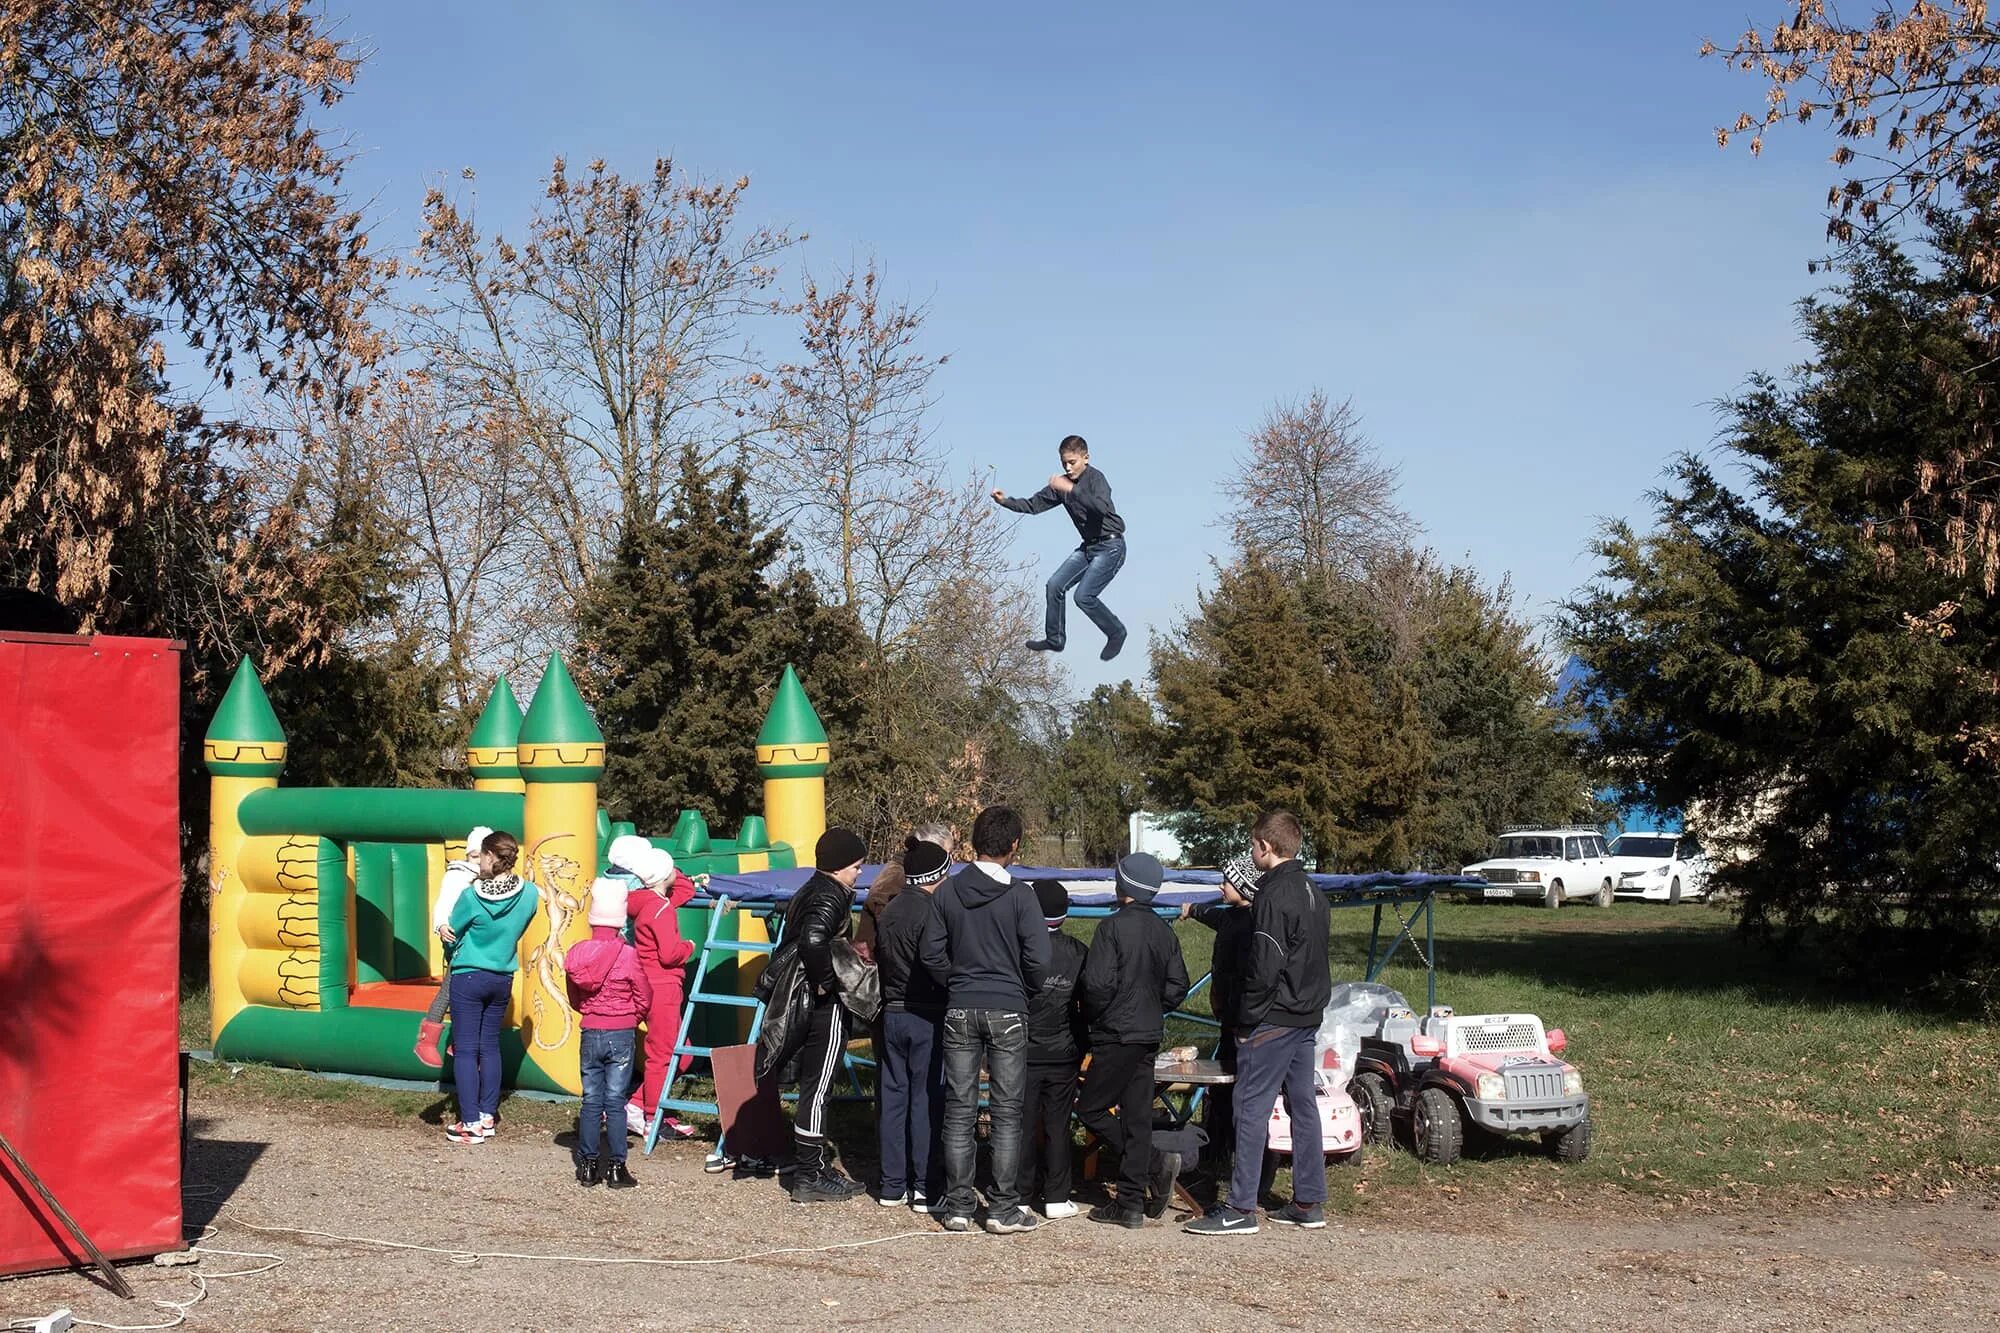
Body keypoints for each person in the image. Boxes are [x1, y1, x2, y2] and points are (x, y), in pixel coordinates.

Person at [1184, 810, 1331, 1237]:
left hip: (1272, 1020)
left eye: (1253, 846)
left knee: (1250, 1110)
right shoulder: (1313, 893)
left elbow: (1265, 966)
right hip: (1306, 1018)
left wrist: (1246, 1019)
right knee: (1303, 1107)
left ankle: (1240, 1207)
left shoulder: (1272, 897)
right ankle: (1308, 1200)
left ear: (1265, 847)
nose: (1252, 852)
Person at [919, 805, 1051, 1234]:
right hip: (1009, 1007)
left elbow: (931, 953)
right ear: (1014, 845)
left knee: (959, 1109)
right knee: (1007, 1112)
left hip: (959, 1005)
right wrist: (1022, 988)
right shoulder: (1021, 895)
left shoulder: (947, 893)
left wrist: (954, 981)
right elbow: (1039, 958)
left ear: (973, 841)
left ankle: (958, 1206)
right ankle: (1002, 1207)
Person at [1075, 853, 1190, 1228]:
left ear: (1120, 885)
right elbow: (1178, 985)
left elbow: (1096, 985)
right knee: (1137, 1118)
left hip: (1115, 1033)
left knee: (1091, 1108)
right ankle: (1129, 1205)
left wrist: (1098, 1015)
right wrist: (1154, 1007)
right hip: (1147, 1034)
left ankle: (1153, 1164)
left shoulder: (1111, 928)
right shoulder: (1163, 931)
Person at [784, 827, 871, 1204]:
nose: (859, 873)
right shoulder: (831, 895)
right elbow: (814, 939)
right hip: (824, 1003)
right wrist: (826, 982)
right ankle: (810, 1173)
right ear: (838, 867)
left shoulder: (811, 887)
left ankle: (813, 1166)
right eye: (856, 866)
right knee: (818, 1089)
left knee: (811, 1086)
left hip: (801, 996)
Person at [443, 830, 540, 1144]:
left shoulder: (472, 895)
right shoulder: (529, 894)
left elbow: (453, 931)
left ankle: (469, 1122)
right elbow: (519, 928)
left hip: (469, 976)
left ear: (489, 856)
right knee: (490, 1047)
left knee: (467, 1050)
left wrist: (445, 932)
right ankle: (487, 1115)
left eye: (481, 855)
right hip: (502, 978)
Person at [992, 434, 1128, 661]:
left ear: (1086, 458)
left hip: (1111, 546)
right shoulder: (1060, 486)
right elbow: (1033, 505)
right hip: (1088, 549)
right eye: (1064, 463)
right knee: (1055, 585)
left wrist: (1071, 490)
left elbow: (1101, 508)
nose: (1067, 467)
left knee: (1083, 596)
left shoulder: (1096, 479)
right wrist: (1005, 501)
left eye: (1072, 462)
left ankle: (1116, 632)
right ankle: (1055, 639)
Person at [872, 837, 952, 1210]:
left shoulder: (888, 910)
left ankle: (891, 1184)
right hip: (926, 1014)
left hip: (892, 1012)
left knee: (892, 1098)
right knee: (925, 1099)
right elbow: (936, 961)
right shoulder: (933, 912)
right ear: (937, 876)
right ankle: (924, 1185)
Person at [607, 836, 700, 1140]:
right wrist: (688, 946)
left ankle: (635, 1105)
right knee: (664, 1053)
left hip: (636, 978)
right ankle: (652, 1116)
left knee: (678, 1053)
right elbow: (670, 953)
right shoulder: (659, 908)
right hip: (661, 983)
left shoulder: (628, 897)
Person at [564, 875, 652, 1188]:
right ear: (619, 920)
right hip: (621, 1032)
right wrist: (632, 1016)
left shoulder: (577, 953)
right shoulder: (627, 954)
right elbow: (643, 993)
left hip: (591, 1029)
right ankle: (616, 1167)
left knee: (591, 1099)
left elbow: (574, 996)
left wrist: (590, 1011)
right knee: (614, 1101)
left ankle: (587, 1166)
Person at [1180, 854, 1261, 1155]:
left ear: (1244, 887)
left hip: (1243, 1013)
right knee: (1226, 1075)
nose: (1220, 887)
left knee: (1239, 1079)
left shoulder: (1255, 922)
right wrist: (1193, 909)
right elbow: (1215, 917)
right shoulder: (1230, 916)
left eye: (1227, 882)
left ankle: (1233, 1142)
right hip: (1228, 1012)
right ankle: (1219, 1136)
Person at [1024, 878, 1089, 1220]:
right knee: (1058, 1123)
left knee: (1021, 1122)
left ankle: (1018, 1193)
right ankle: (1056, 1196)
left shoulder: (1020, 949)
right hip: (1064, 1050)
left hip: (1023, 1050)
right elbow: (1087, 1003)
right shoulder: (1078, 952)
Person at [415, 825, 492, 1067]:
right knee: (451, 987)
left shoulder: (485, 878)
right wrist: (440, 925)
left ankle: (459, 1041)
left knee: (466, 990)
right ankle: (427, 1041)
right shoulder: (458, 875)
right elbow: (443, 905)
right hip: (457, 940)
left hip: (474, 942)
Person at [856, 821, 953, 957]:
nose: (951, 860)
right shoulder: (894, 878)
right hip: (881, 962)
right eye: (947, 854)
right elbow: (894, 933)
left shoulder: (919, 873)